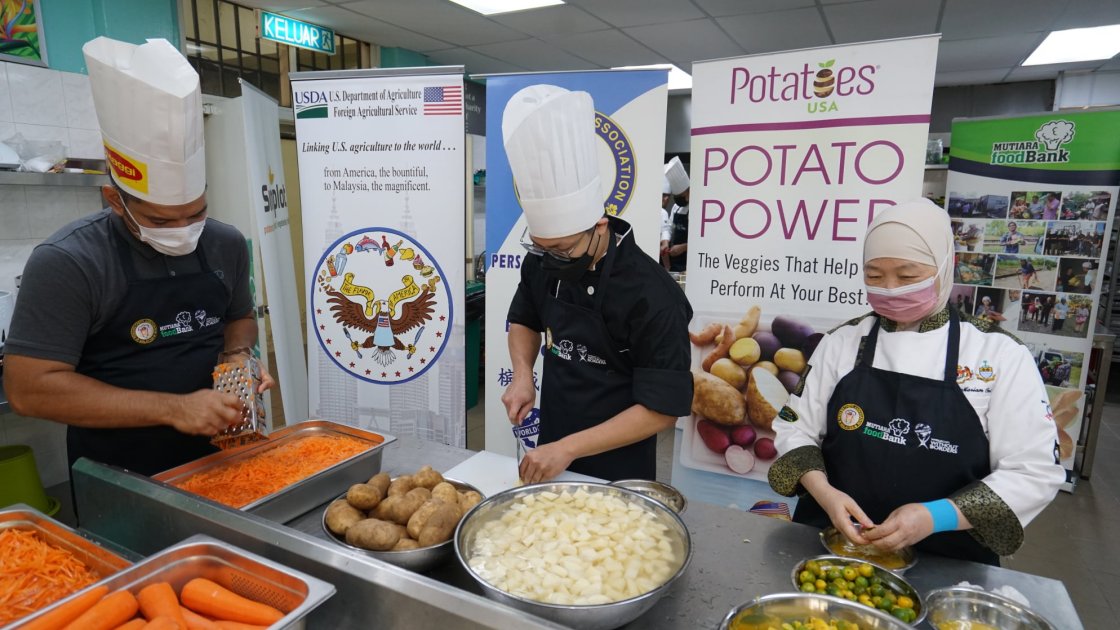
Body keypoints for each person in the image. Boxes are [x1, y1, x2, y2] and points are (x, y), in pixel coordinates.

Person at [2, 37, 273, 477]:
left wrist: (238, 356)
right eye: (162, 221)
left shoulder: (225, 242)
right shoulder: (69, 262)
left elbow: (239, 318)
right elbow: (29, 390)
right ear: (114, 199)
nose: (184, 231)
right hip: (121, 474)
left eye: (196, 213)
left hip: (225, 458)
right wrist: (174, 409)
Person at [767, 199, 1064, 565]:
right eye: (874, 275)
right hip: (831, 542)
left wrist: (934, 516)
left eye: (907, 276)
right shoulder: (842, 343)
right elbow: (794, 428)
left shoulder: (998, 355)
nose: (890, 288)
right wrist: (824, 492)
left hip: (949, 558)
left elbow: (1033, 471)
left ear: (945, 267)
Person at [499, 84, 693, 483]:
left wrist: (568, 448)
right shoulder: (542, 261)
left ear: (600, 225)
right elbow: (524, 317)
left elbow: (662, 408)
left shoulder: (653, 295)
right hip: (552, 443)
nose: (550, 258)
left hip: (619, 464)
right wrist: (522, 373)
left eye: (563, 249)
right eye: (541, 247)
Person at [663, 157, 689, 273]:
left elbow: (703, 241)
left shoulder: (699, 210)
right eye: (676, 197)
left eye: (681, 196)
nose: (678, 200)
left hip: (688, 263)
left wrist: (683, 247)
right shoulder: (676, 207)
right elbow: (669, 226)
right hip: (675, 262)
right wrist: (666, 241)